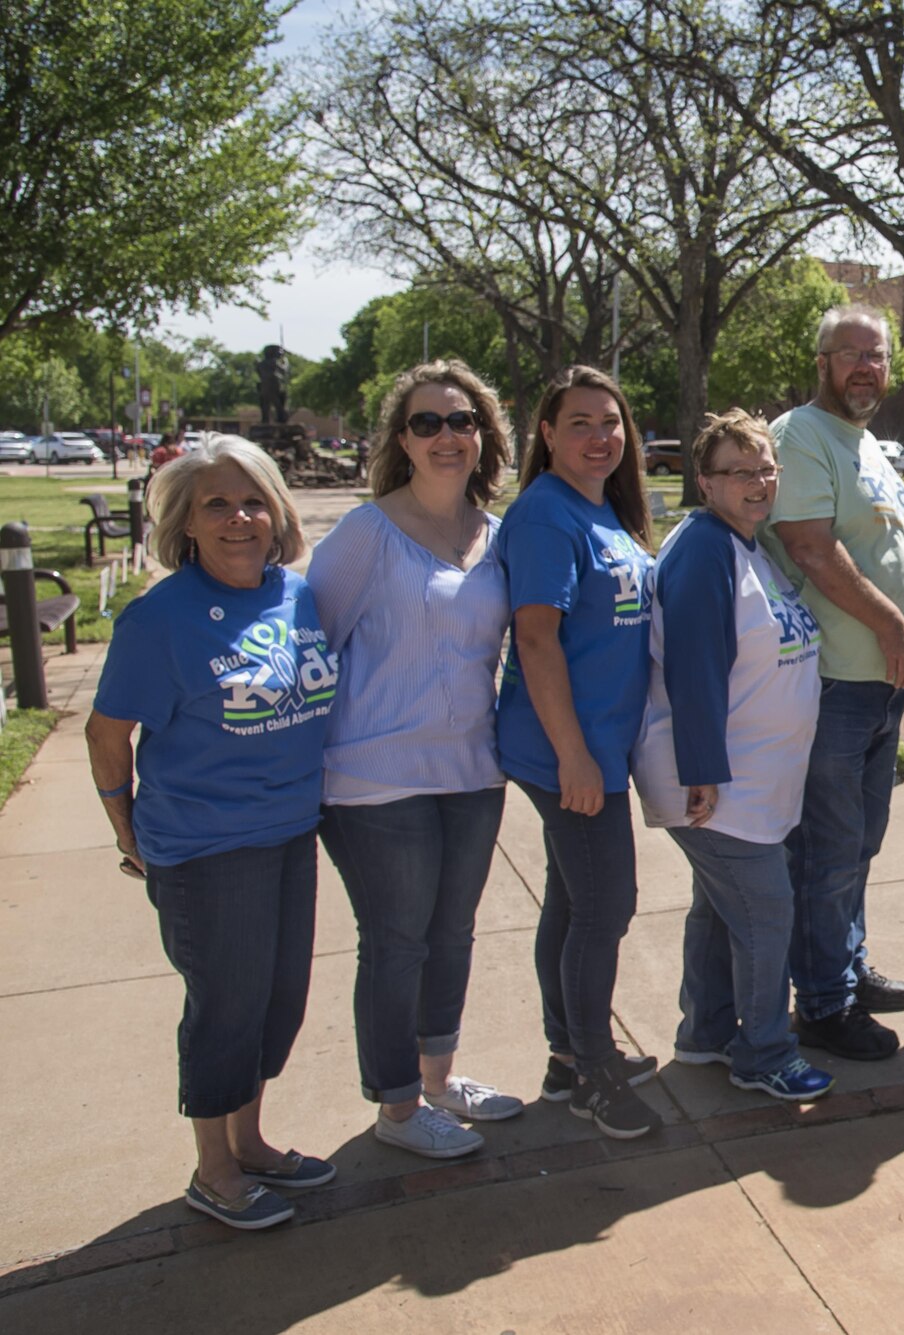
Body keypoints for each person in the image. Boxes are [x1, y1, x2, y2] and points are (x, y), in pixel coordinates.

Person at [84, 441, 339, 1230]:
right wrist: (124, 822)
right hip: (203, 846)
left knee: (277, 1002)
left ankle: (252, 1141)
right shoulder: (159, 619)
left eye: (254, 501)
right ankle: (214, 1168)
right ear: (186, 523)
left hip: (292, 832)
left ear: (278, 514)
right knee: (225, 1007)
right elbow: (105, 732)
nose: (239, 519)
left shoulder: (297, 595)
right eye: (216, 505)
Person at [308, 360, 521, 1160]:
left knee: (452, 933)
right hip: (374, 778)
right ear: (402, 439)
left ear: (483, 436)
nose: (446, 436)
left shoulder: (495, 539)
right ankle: (396, 1110)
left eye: (461, 421)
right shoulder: (366, 534)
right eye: (427, 422)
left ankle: (438, 1081)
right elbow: (310, 647)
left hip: (471, 773)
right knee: (397, 940)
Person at [632, 411, 834, 1102]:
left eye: (766, 469)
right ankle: (765, 1053)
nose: (757, 483)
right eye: (739, 472)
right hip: (720, 787)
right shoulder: (703, 551)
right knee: (765, 909)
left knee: (720, 911)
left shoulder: (747, 545)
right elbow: (694, 668)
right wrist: (703, 772)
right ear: (704, 481)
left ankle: (707, 1032)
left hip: (753, 785)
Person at [495, 365, 660, 1139]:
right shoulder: (544, 518)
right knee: (605, 906)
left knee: (572, 901)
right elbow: (535, 636)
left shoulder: (602, 512)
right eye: (581, 424)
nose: (601, 438)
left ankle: (568, 1057)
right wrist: (573, 755)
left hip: (600, 744)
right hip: (565, 749)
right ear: (547, 434)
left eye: (611, 423)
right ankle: (595, 1071)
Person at [762, 306, 904, 1061]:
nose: (866, 367)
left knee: (858, 845)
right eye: (851, 353)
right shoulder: (801, 434)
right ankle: (823, 1004)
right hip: (834, 682)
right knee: (828, 851)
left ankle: (847, 965)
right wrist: (895, 624)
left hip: (880, 688)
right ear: (822, 360)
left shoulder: (866, 446)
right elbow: (810, 546)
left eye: (878, 356)